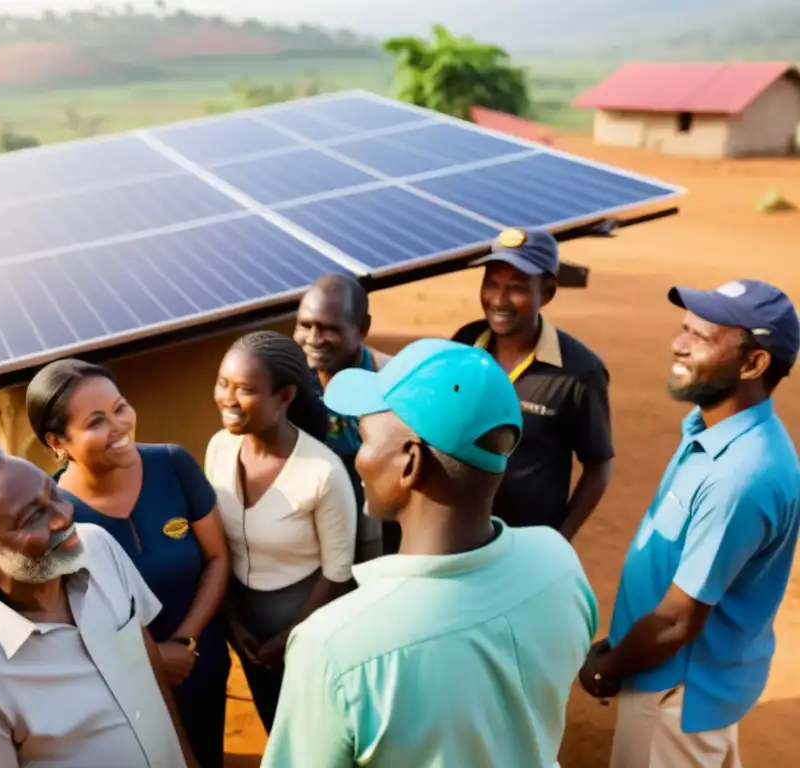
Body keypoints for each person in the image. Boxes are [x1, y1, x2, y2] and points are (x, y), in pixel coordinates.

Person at [261, 339, 598, 768]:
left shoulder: (332, 645)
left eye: (364, 438)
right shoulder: (559, 563)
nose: (358, 458)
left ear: (410, 462)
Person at [580, 279, 800, 768]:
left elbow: (678, 620)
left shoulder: (740, 476)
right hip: (696, 683)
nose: (677, 344)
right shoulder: (716, 429)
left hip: (673, 699)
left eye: (701, 337)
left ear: (753, 364)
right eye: (684, 329)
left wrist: (608, 665)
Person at [0, 444, 197, 768]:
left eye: (53, 493)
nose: (63, 516)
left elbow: (145, 658)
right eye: (32, 516)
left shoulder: (96, 545)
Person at [25, 358, 231, 768]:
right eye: (96, 421)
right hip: (121, 689)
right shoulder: (54, 515)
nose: (119, 426)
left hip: (199, 663)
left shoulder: (173, 464)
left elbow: (218, 558)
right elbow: (69, 620)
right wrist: (153, 658)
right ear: (57, 442)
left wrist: (184, 642)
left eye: (120, 408)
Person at [206, 330, 357, 732]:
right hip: (246, 630)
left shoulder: (323, 472)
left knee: (318, 732)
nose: (228, 398)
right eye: (223, 383)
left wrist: (289, 638)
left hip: (310, 629)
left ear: (285, 396)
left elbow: (338, 574)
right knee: (274, 724)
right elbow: (220, 545)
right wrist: (234, 623)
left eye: (245, 389)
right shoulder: (219, 448)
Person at [452, 227, 614, 539]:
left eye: (516, 288)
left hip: (524, 546)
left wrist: (559, 538)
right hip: (459, 536)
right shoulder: (464, 344)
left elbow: (598, 467)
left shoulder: (580, 372)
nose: (499, 300)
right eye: (491, 284)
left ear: (548, 292)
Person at [294, 273, 397, 559]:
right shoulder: (290, 381)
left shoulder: (392, 385)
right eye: (305, 325)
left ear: (362, 328)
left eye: (328, 329)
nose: (313, 339)